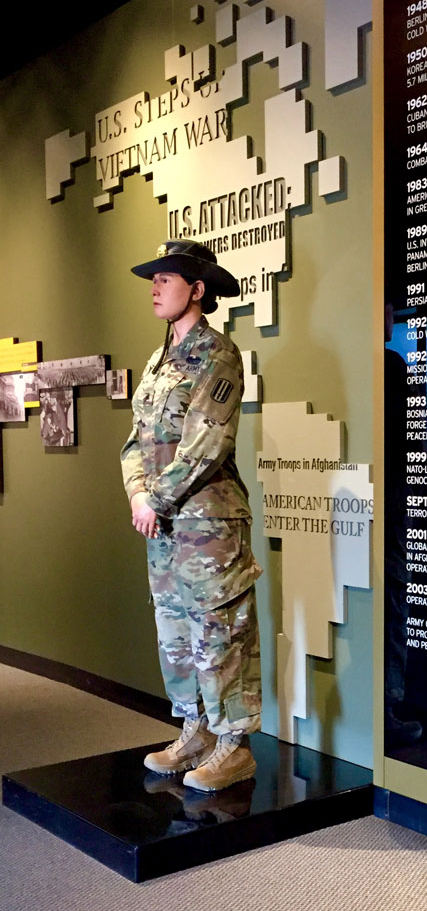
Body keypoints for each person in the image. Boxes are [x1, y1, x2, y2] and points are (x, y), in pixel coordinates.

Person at [122, 240, 262, 792]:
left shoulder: (219, 355)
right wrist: (138, 494)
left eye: (166, 277)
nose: (155, 286)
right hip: (162, 528)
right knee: (175, 632)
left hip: (209, 528)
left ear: (197, 290)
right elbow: (135, 440)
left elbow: (206, 445)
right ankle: (195, 730)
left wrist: (152, 500)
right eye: (152, 278)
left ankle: (234, 746)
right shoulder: (159, 362)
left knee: (219, 631)